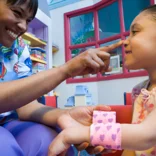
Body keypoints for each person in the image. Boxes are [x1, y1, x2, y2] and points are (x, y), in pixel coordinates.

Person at [0, 0, 124, 155]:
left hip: (8, 122)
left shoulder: (19, 46)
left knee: (51, 140)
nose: (24, 27)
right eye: (17, 13)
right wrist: (66, 70)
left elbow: (25, 106)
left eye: (28, 21)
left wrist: (63, 115)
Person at [48, 4, 156, 156]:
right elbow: (133, 146)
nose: (124, 41)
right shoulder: (139, 90)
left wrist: (75, 134)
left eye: (135, 32)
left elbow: (146, 136)